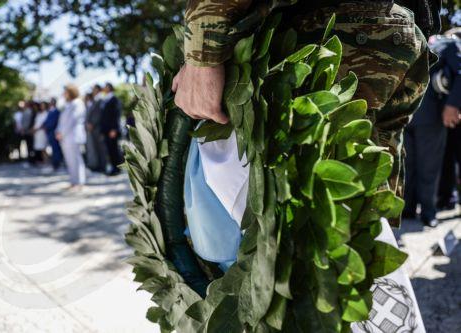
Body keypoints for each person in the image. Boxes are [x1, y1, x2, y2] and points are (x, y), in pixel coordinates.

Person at [170, 0, 436, 331]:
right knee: (352, 223)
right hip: (393, 29)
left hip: (322, 34)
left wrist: (202, 56)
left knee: (304, 259)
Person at [404, 30, 461, 226]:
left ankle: (428, 212)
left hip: (432, 115)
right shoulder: (410, 37)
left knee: (429, 166)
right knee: (408, 164)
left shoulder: (449, 45)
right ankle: (408, 209)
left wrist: (452, 106)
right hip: (407, 115)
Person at [436, 29, 461, 210]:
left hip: (453, 111)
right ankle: (448, 197)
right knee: (448, 156)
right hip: (448, 114)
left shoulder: (453, 48)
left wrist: (453, 106)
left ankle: (449, 197)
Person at [56, 84, 87, 189]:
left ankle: (80, 182)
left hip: (74, 135)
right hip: (66, 136)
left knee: (76, 159)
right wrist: (58, 131)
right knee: (69, 160)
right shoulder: (67, 104)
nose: (64, 94)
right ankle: (73, 181)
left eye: (65, 92)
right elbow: (62, 121)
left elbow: (72, 120)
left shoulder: (78, 103)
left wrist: (62, 133)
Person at [100, 82, 122, 175]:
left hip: (112, 130)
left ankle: (117, 169)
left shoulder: (114, 99)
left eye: (105, 87)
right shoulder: (105, 99)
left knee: (114, 150)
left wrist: (114, 129)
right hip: (106, 130)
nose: (104, 88)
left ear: (109, 88)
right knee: (110, 150)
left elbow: (116, 115)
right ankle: (113, 167)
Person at [85, 84, 107, 172]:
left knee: (101, 148)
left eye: (94, 89)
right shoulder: (95, 99)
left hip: (97, 127)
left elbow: (98, 114)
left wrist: (92, 124)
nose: (93, 91)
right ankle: (98, 165)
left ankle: (102, 166)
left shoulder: (100, 98)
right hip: (93, 128)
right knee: (96, 148)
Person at [43, 98, 63, 170]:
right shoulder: (50, 111)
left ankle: (57, 164)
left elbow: (54, 122)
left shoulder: (57, 111)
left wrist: (47, 127)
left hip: (54, 132)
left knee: (56, 149)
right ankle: (55, 163)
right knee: (52, 149)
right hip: (49, 133)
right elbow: (46, 121)